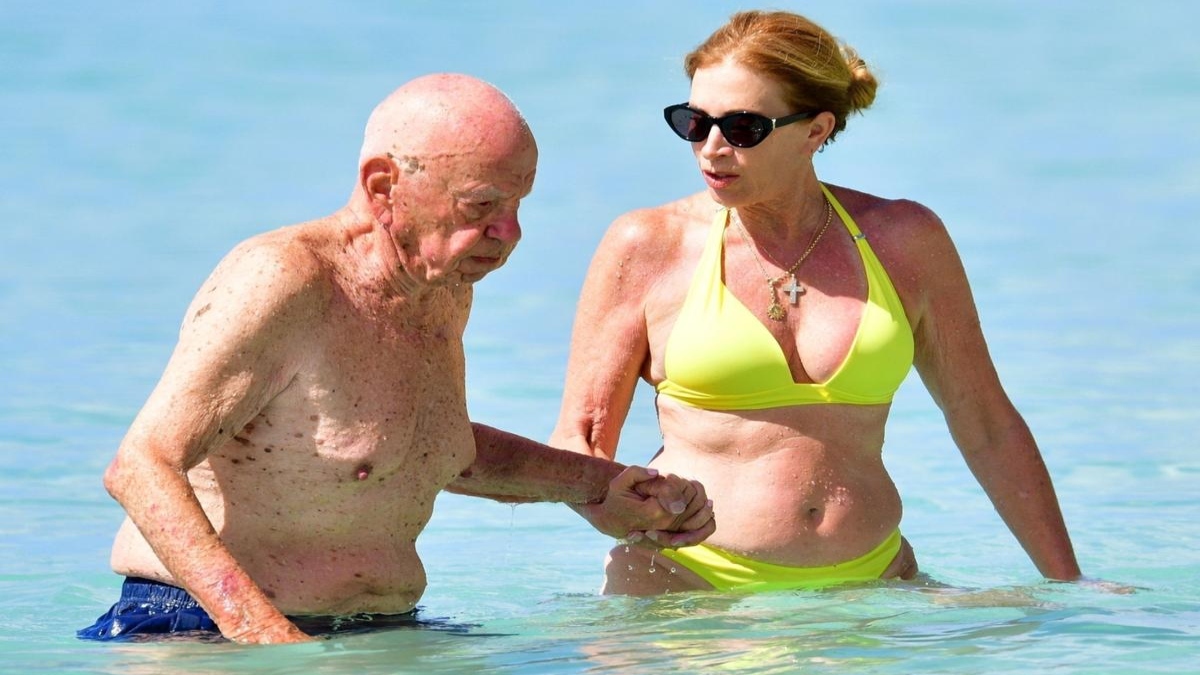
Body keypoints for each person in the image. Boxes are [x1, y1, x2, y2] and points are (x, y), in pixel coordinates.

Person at [78, 73, 714, 644]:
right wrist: (264, 637)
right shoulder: (284, 280)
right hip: (202, 628)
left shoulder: (442, 289)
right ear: (384, 186)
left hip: (379, 631)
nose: (509, 233)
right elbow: (142, 465)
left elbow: (425, 446)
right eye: (481, 206)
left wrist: (602, 485)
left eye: (519, 205)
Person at [549, 10, 1081, 594]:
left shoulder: (906, 239)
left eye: (744, 127)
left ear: (815, 129)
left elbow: (985, 424)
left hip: (873, 586)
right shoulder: (647, 244)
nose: (712, 147)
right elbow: (580, 440)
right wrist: (611, 505)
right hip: (685, 584)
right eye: (694, 122)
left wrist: (1070, 586)